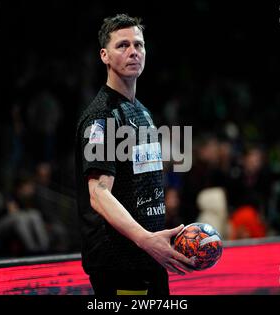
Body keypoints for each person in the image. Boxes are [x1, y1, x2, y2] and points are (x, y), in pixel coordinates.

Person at [75, 13, 195, 296]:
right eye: (123, 45)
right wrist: (146, 239)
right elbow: (99, 193)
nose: (133, 52)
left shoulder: (142, 112)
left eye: (139, 45)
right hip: (120, 264)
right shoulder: (101, 118)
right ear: (104, 55)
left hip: (148, 258)